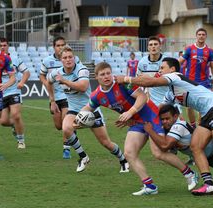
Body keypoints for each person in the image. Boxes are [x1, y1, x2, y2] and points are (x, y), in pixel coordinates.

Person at [116, 57, 213, 195]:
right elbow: (157, 111)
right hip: (207, 113)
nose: (159, 70)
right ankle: (209, 185)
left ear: (172, 69)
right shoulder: (171, 92)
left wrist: (127, 79)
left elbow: (151, 82)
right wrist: (134, 118)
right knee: (196, 147)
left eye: (162, 67)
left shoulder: (175, 76)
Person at [78, 62, 197, 195]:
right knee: (129, 153)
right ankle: (149, 186)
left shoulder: (122, 82)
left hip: (151, 116)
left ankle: (189, 173)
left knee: (158, 153)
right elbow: (87, 109)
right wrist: (77, 121)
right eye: (102, 74)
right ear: (96, 77)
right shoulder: (96, 95)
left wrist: (130, 112)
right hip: (136, 122)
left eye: (108, 73)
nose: (106, 76)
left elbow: (142, 97)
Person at [47, 46, 129, 173]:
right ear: (60, 60)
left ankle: (123, 160)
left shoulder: (82, 70)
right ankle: (83, 157)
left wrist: (64, 81)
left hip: (91, 109)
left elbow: (83, 87)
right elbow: (48, 81)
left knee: (105, 142)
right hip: (74, 110)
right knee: (66, 128)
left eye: (70, 57)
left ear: (74, 58)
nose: (68, 60)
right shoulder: (56, 73)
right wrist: (52, 100)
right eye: (65, 58)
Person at [39, 36, 80, 159]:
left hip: (69, 95)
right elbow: (42, 75)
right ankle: (72, 134)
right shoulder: (47, 61)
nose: (61, 47)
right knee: (58, 125)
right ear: (54, 47)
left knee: (67, 123)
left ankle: (66, 149)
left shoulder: (73, 59)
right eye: (58, 45)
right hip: (55, 97)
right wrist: (47, 84)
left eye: (63, 45)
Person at [179, 28, 213, 128]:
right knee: (189, 105)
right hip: (190, 81)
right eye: (199, 34)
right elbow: (180, 61)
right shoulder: (189, 49)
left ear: (206, 37)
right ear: (196, 36)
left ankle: (200, 125)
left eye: (203, 34)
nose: (201, 36)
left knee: (203, 104)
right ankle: (193, 126)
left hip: (204, 81)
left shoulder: (209, 51)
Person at [0, 37, 30, 149]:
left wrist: (21, 82)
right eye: (1, 45)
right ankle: (14, 125)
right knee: (2, 121)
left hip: (14, 91)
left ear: (8, 46)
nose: (2, 47)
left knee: (16, 115)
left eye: (4, 45)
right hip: (1, 93)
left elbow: (26, 72)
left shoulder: (15, 59)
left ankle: (21, 140)